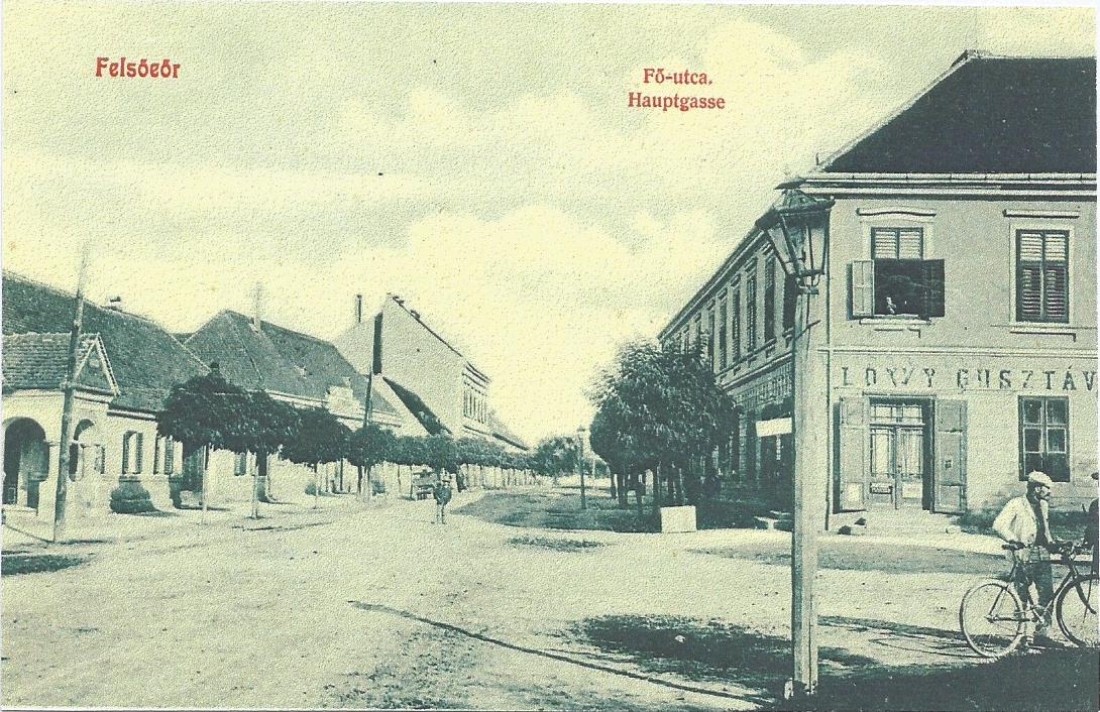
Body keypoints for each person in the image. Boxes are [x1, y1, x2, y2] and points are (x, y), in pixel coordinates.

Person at [992, 471, 1061, 643]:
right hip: (1024, 555)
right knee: (1021, 595)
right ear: (1037, 489)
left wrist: (1054, 543)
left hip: (1043, 554)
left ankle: (1042, 633)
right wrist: (1013, 540)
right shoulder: (1016, 504)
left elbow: (1044, 530)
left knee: (1047, 594)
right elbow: (998, 525)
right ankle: (1020, 635)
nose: (1049, 492)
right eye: (1047, 488)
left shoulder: (1043, 505)